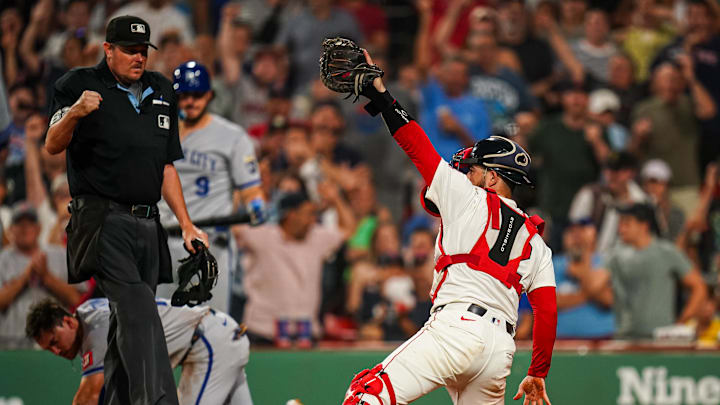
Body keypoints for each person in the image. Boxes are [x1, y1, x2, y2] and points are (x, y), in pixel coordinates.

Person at [339, 49, 557, 405]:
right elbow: (546, 311)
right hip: (499, 350)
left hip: (456, 328)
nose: (465, 173)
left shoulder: (469, 197)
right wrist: (537, 372)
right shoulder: (536, 241)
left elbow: (417, 145)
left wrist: (380, 95)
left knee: (366, 394)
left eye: (473, 168)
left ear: (491, 176)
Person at [44, 16, 207, 405]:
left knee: (125, 325)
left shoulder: (162, 89)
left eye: (143, 51)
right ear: (108, 49)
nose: (138, 58)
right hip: (101, 220)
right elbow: (52, 143)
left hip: (148, 223)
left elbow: (166, 167)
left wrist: (186, 224)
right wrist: (76, 113)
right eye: (130, 50)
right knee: (137, 308)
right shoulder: (76, 85)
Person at [155, 61, 266, 313]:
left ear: (209, 95)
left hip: (210, 243)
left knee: (212, 324)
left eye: (197, 95)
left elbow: (250, 189)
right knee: (160, 324)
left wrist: (256, 204)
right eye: (184, 95)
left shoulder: (232, 136)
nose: (190, 101)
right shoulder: (160, 132)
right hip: (162, 241)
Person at [26, 297, 253, 405]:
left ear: (69, 322)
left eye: (55, 341)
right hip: (217, 336)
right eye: (49, 349)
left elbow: (90, 395)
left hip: (209, 345)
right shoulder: (88, 312)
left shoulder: (95, 328)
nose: (56, 351)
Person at [235, 189, 355, 348]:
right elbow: (232, 228)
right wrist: (238, 194)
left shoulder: (317, 237)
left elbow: (349, 230)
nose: (313, 220)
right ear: (291, 215)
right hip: (263, 333)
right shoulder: (264, 235)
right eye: (308, 214)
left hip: (305, 334)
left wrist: (336, 199)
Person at [605, 203, 707, 339]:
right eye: (620, 224)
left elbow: (699, 287)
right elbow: (598, 285)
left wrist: (680, 323)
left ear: (643, 226)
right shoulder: (615, 256)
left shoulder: (667, 252)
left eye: (627, 223)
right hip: (625, 337)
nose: (621, 229)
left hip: (660, 338)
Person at [0, 203, 82, 349]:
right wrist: (25, 277)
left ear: (39, 228)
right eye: (19, 223)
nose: (25, 228)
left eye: (30, 223)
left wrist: (46, 277)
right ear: (11, 229)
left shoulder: (59, 254)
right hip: (11, 343)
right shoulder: (3, 260)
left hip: (56, 343)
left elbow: (75, 298)